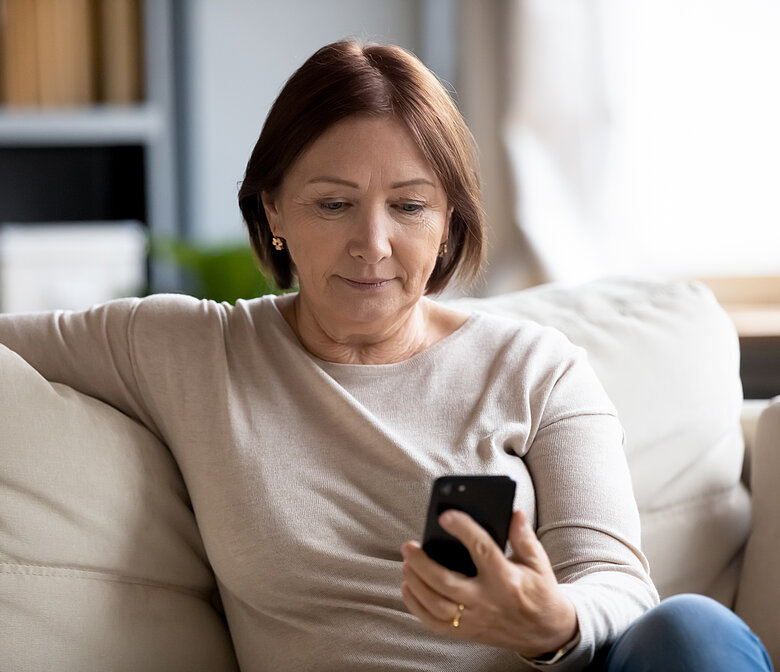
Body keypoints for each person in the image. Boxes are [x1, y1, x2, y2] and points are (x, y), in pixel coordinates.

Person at [0, 40, 772, 672]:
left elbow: (622, 587)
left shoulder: (537, 368)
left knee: (691, 633)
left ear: (447, 222)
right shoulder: (194, 350)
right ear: (273, 212)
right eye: (332, 203)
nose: (372, 245)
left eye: (408, 206)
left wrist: (552, 620)